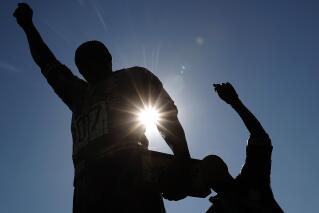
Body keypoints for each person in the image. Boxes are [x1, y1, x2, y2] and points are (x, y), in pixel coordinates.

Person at [14, 3, 191, 212]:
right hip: (86, 189)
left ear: (107, 58)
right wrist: (28, 27)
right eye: (81, 64)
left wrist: (183, 164)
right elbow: (47, 62)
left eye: (92, 59)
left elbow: (167, 117)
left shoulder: (134, 77)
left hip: (133, 178)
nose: (86, 67)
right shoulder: (78, 94)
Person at [204, 82, 283, 213]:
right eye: (209, 175)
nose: (214, 178)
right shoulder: (217, 209)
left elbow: (260, 137)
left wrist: (235, 102)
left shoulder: (251, 178)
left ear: (224, 168)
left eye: (214, 171)